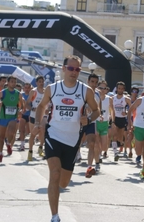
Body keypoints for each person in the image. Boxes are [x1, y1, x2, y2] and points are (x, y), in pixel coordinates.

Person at [35, 55, 99, 222]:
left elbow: (96, 111)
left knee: (63, 182)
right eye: (70, 68)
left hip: (72, 140)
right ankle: (55, 216)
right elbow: (42, 106)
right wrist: (38, 123)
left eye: (77, 69)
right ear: (63, 69)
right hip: (53, 134)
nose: (74, 72)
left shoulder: (86, 91)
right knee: (54, 173)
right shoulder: (53, 89)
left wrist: (89, 119)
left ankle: (57, 199)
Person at [0, 75, 23, 163]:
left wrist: (20, 110)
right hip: (3, 117)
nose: (13, 83)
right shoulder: (2, 92)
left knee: (12, 132)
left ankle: (8, 144)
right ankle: (0, 153)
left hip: (13, 116)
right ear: (8, 83)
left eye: (15, 82)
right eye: (11, 81)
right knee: (1, 137)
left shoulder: (18, 93)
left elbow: (22, 106)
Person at [81, 73, 101, 177]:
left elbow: (99, 109)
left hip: (91, 122)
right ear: (88, 82)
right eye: (92, 82)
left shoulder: (97, 94)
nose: (94, 84)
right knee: (75, 144)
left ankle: (89, 167)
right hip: (79, 122)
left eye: (96, 82)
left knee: (92, 144)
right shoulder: (81, 92)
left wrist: (99, 116)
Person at [110, 81, 132, 161]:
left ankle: (122, 144)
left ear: (124, 89)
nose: (120, 90)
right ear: (117, 89)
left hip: (122, 119)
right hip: (115, 118)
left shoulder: (126, 99)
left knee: (120, 138)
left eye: (122, 89)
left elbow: (131, 109)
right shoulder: (112, 98)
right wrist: (112, 120)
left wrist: (126, 113)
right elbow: (111, 110)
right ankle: (115, 153)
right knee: (114, 136)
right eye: (119, 88)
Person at [26, 76, 46, 161]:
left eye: (42, 81)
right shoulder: (33, 92)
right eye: (40, 81)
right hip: (33, 115)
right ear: (36, 83)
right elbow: (27, 103)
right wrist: (32, 108)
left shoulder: (46, 92)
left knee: (42, 131)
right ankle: (30, 152)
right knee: (33, 134)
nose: (41, 83)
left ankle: (41, 147)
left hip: (43, 116)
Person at [95, 80, 113, 165]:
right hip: (96, 121)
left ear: (106, 89)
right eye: (100, 88)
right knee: (97, 140)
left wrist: (113, 121)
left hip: (105, 122)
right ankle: (98, 156)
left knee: (104, 144)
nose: (102, 90)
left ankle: (101, 152)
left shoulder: (109, 99)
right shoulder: (94, 97)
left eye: (104, 88)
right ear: (97, 88)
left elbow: (112, 110)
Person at [18, 82, 32, 150]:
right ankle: (22, 144)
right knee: (22, 130)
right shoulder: (21, 95)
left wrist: (30, 108)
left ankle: (29, 139)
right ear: (23, 88)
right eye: (25, 88)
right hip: (23, 115)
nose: (27, 89)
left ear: (30, 88)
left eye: (28, 88)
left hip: (30, 115)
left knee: (29, 131)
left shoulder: (32, 95)